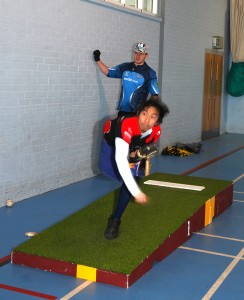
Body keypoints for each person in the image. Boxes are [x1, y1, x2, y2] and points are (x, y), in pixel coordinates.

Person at [100, 98, 169, 240]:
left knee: (133, 177)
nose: (146, 120)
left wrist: (140, 159)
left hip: (132, 146)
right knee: (116, 173)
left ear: (157, 122)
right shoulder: (127, 124)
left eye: (152, 117)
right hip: (112, 143)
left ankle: (115, 220)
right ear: (138, 113)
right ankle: (131, 173)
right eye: (144, 113)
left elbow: (146, 148)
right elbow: (120, 160)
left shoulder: (156, 131)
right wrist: (136, 192)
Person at [93, 42, 159, 117]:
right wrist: (97, 59)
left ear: (146, 55)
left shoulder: (150, 73)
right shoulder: (125, 67)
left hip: (137, 114)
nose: (138, 56)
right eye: (136, 53)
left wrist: (146, 111)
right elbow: (108, 72)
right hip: (122, 111)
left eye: (141, 53)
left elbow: (155, 96)